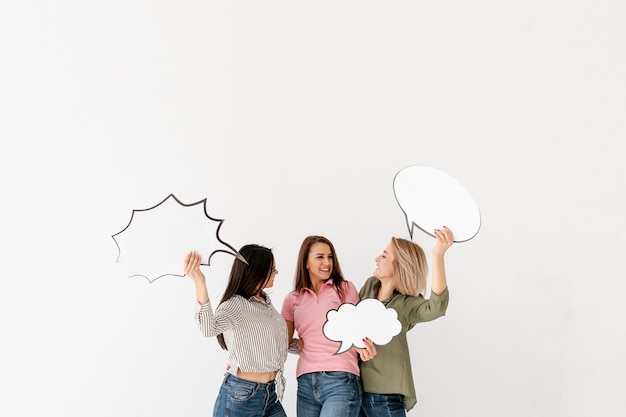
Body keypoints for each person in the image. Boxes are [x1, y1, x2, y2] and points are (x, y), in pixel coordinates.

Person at [358, 226, 454, 417]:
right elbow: (351, 328)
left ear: (399, 265)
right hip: (357, 391)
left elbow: (437, 307)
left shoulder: (407, 305)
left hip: (385, 394)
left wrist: (438, 256)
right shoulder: (370, 286)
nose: (377, 258)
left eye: (384, 256)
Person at [184, 244, 288, 417]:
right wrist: (199, 282)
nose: (276, 273)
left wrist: (299, 345)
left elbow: (269, 340)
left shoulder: (266, 303)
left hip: (270, 394)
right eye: (272, 269)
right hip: (242, 394)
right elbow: (208, 328)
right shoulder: (236, 304)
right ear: (257, 271)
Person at [281, 235, 376, 417]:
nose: (327, 262)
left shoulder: (345, 289)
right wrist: (237, 362)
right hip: (306, 382)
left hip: (341, 379)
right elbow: (280, 343)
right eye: (320, 257)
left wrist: (362, 346)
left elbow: (357, 331)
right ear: (306, 262)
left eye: (330, 256)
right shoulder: (292, 299)